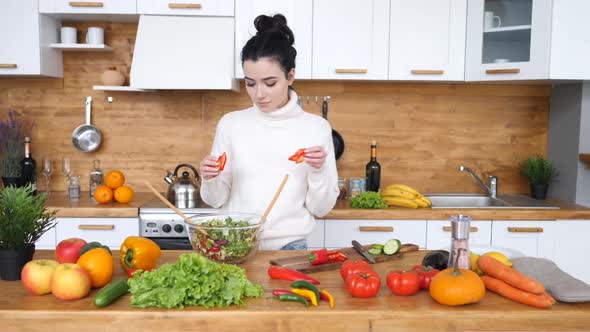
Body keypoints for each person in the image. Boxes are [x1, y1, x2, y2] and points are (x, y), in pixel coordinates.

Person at [199, 14, 339, 251]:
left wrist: (318, 170)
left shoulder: (316, 128)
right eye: (250, 83)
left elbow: (320, 209)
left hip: (290, 246)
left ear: (290, 76)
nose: (259, 94)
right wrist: (210, 178)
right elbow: (215, 200)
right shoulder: (230, 124)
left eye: (270, 83)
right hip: (237, 244)